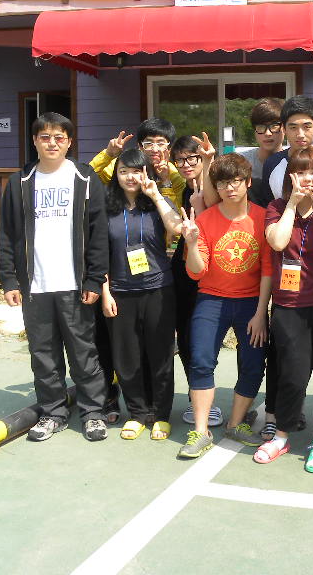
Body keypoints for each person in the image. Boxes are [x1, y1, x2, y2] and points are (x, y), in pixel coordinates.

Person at [0, 112, 110, 443]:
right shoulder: (19, 183)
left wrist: (94, 280)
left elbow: (99, 234)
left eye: (59, 137)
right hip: (35, 286)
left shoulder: (85, 178)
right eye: (45, 137)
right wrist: (9, 280)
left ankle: (93, 413)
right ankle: (54, 413)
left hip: (75, 285)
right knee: (43, 355)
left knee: (84, 354)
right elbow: (6, 234)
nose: (52, 143)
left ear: (69, 142)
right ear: (35, 141)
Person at [254, 148, 313, 473]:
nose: (307, 178)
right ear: (290, 176)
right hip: (288, 305)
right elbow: (278, 243)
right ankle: (282, 435)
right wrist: (293, 204)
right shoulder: (276, 207)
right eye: (301, 172)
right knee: (292, 375)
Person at [179, 153, 272, 458]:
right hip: (212, 299)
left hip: (250, 302)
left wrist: (260, 313)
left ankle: (236, 423)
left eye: (235, 181)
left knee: (253, 363)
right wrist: (191, 243)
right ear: (215, 187)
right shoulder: (204, 220)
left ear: (247, 182)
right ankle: (201, 430)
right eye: (222, 183)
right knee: (201, 360)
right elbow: (196, 272)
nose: (229, 188)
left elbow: (268, 269)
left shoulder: (262, 217)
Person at [99, 149, 184, 442]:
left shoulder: (157, 203)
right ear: (116, 175)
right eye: (123, 171)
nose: (130, 177)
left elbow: (176, 228)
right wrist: (105, 292)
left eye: (136, 171)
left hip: (158, 289)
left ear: (146, 172)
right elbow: (99, 254)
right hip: (121, 292)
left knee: (160, 354)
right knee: (127, 358)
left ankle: (160, 414)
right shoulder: (106, 207)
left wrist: (155, 194)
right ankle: (136, 413)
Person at [168, 135, 226, 430]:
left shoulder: (214, 186)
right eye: (180, 160)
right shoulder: (184, 189)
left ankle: (208, 400)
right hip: (183, 269)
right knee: (186, 336)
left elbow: (212, 211)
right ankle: (197, 397)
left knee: (203, 337)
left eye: (192, 158)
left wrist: (209, 161)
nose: (186, 164)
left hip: (210, 270)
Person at [255, 95, 313, 209]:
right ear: (284, 129)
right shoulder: (272, 163)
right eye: (293, 127)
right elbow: (267, 207)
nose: (300, 134)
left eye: (306, 127)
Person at [90, 118, 185, 212]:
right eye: (148, 143)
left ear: (169, 148)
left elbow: (176, 214)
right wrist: (108, 154)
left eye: (161, 143)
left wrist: (165, 181)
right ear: (140, 146)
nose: (155, 149)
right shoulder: (123, 165)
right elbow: (87, 176)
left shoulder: (174, 175)